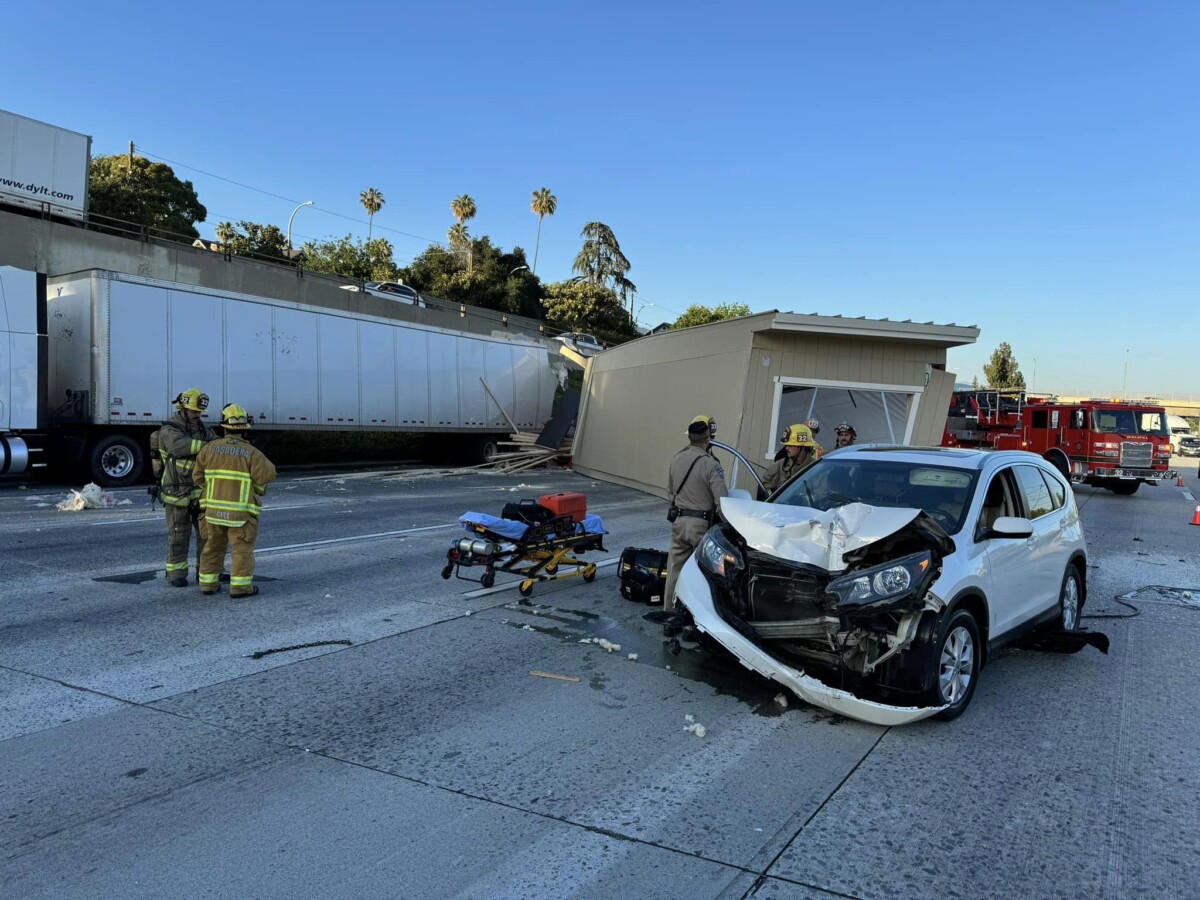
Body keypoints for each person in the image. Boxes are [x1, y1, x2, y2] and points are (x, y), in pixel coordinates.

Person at [194, 404, 277, 598]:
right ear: (245, 427)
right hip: (240, 514)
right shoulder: (252, 453)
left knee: (212, 547)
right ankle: (240, 588)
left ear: (223, 426)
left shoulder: (209, 449)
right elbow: (267, 475)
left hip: (213, 512)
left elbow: (197, 477)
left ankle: (208, 584)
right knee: (241, 550)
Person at [664, 415, 728, 620]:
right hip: (701, 525)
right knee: (703, 574)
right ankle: (697, 621)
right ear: (708, 438)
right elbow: (722, 501)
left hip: (679, 523)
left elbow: (670, 492)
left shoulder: (676, 459)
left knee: (674, 570)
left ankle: (670, 617)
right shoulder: (710, 464)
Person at [155, 389, 215, 587]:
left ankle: (206, 574)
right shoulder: (169, 429)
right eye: (194, 411)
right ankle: (176, 575)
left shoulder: (203, 429)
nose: (198, 415)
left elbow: (216, 443)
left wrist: (206, 444)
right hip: (176, 492)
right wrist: (206, 446)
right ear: (182, 408)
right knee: (179, 536)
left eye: (199, 412)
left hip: (200, 492)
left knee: (207, 536)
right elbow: (178, 446)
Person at [762, 424, 818, 493]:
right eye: (786, 445)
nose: (786, 448)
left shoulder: (816, 469)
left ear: (802, 447)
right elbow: (763, 488)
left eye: (790, 445)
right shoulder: (779, 466)